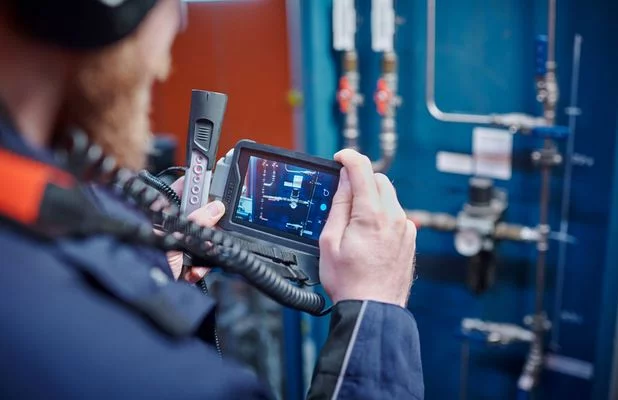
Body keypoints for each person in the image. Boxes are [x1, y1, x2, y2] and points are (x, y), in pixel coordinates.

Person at [0, 0, 423, 399]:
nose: (163, 63)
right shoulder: (167, 381)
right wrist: (375, 309)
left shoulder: (43, 217)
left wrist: (144, 270)